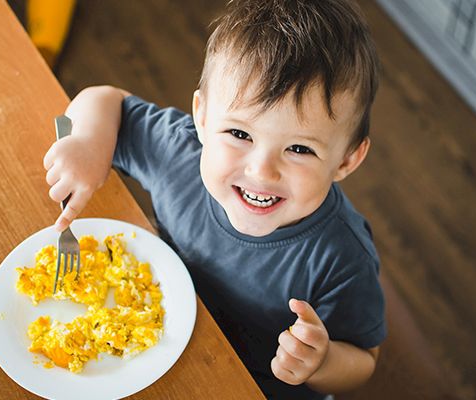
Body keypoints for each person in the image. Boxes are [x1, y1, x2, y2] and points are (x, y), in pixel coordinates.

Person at [43, 0, 385, 398]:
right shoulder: (179, 153)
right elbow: (105, 99)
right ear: (201, 118)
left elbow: (364, 359)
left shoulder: (343, 257)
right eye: (240, 134)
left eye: (299, 149)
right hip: (155, 346)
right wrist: (87, 141)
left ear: (347, 160)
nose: (261, 171)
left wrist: (321, 362)